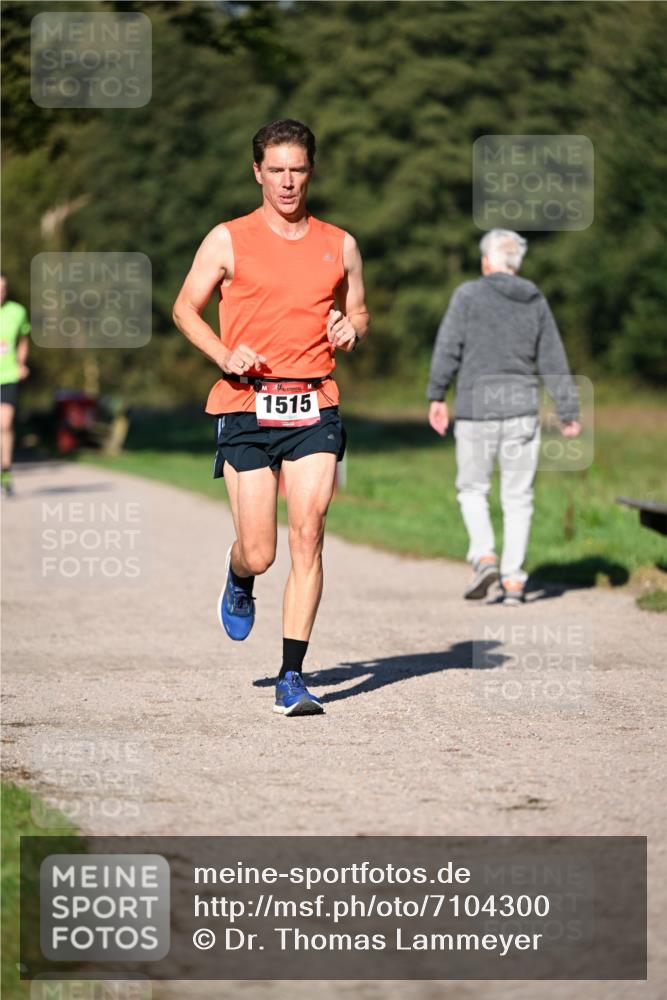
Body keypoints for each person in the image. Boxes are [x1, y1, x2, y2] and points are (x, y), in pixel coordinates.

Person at [173, 119, 369, 715]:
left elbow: (358, 313)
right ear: (257, 172)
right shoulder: (228, 239)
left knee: (308, 535)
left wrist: (349, 328)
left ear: (312, 171)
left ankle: (292, 675)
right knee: (261, 551)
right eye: (276, 170)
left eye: (298, 169)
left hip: (314, 405)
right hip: (246, 404)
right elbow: (185, 309)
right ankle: (239, 576)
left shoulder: (341, 244)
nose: (288, 182)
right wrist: (224, 353)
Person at [427, 229, 580, 606]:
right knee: (518, 497)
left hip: (477, 410)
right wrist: (568, 409)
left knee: (472, 490)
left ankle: (484, 556)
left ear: (486, 262)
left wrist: (436, 394)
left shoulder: (468, 295)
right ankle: (513, 580)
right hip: (521, 410)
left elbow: (449, 346)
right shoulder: (535, 299)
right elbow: (552, 357)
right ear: (517, 264)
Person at [1, 274, 31, 497]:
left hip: (8, 374)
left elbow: (23, 339)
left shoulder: (17, 312)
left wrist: (22, 363)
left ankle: (6, 471)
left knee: (5, 422)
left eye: (3, 288)